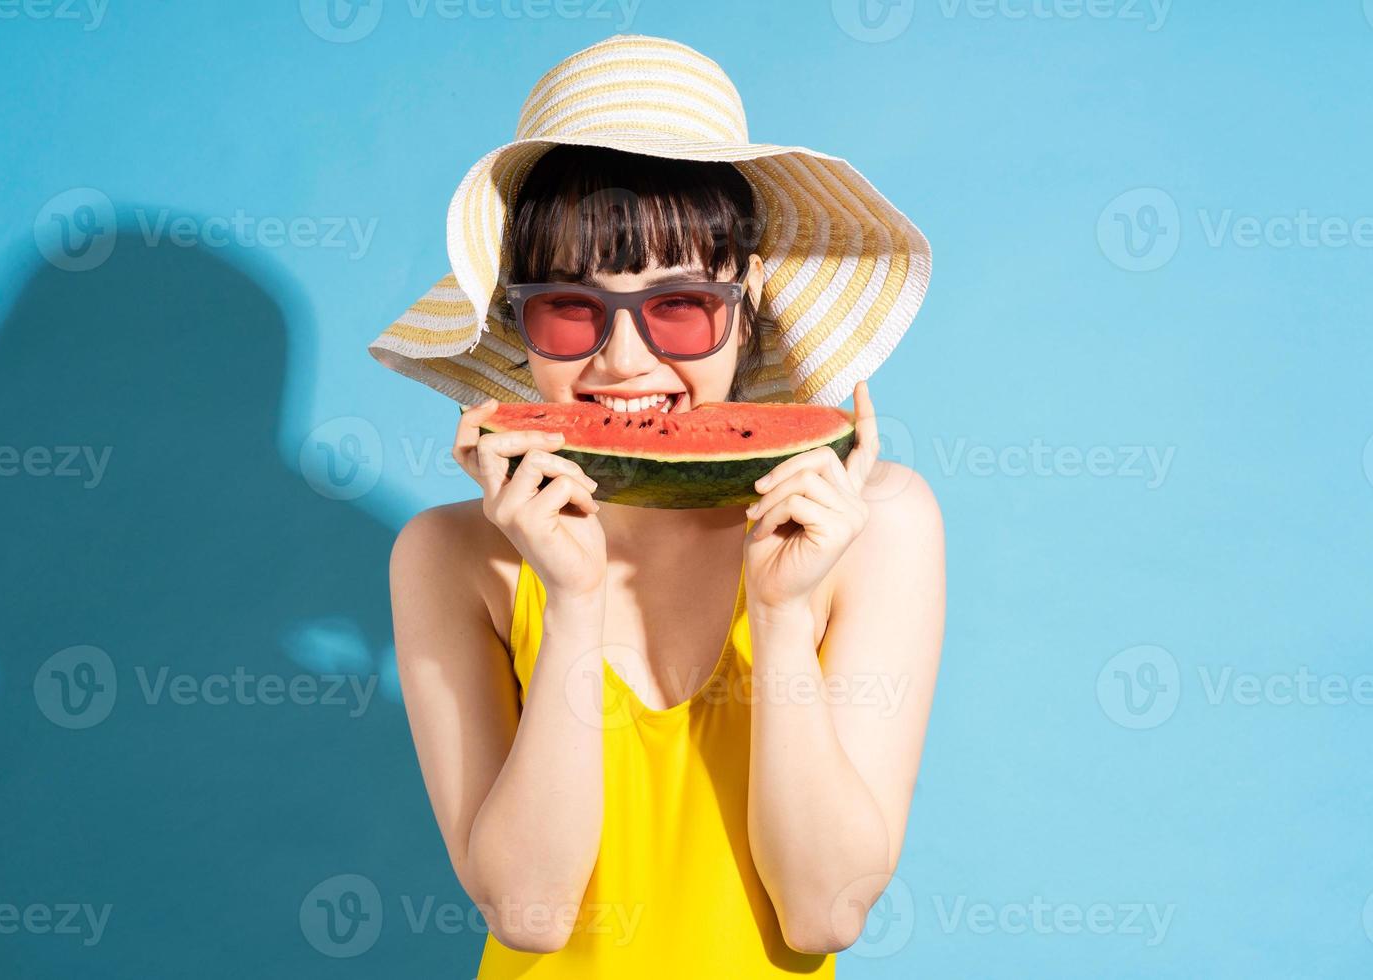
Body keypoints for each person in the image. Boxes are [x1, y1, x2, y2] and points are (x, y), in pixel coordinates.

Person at [370, 34, 945, 978]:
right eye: (570, 309)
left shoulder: (878, 525)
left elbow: (822, 911)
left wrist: (783, 613)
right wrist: (572, 602)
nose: (625, 363)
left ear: (747, 300)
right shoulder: (447, 555)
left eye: (679, 307)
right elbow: (530, 915)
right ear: (517, 322)